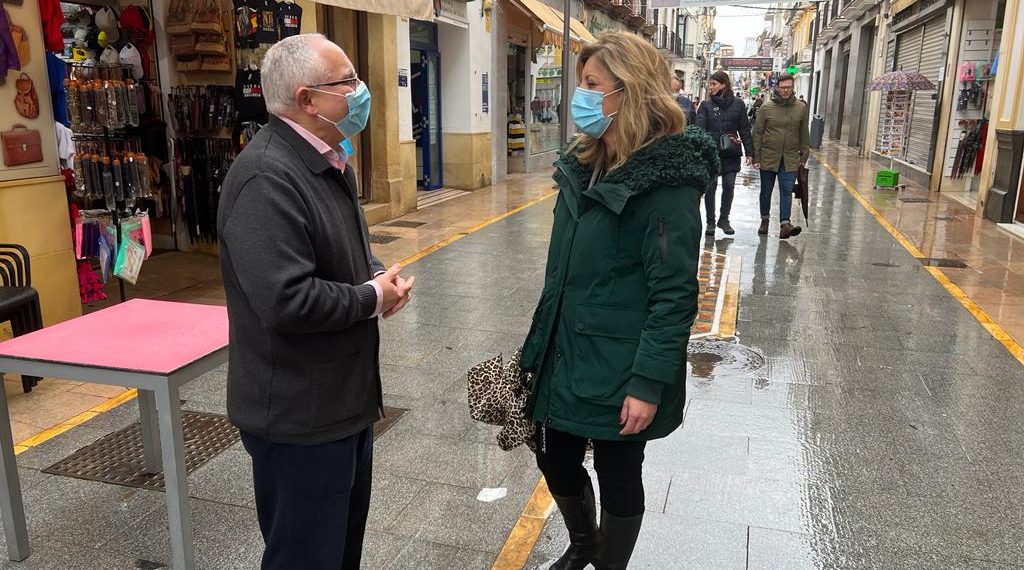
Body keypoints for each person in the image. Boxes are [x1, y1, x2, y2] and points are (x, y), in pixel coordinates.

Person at [519, 32, 717, 570]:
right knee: (553, 456)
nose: (580, 96)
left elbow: (674, 295)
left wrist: (647, 384)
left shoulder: (667, 184)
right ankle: (585, 542)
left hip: (624, 359)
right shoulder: (582, 162)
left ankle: (610, 563)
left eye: (591, 84)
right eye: (581, 83)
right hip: (565, 345)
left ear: (629, 91)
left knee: (618, 470)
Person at [217, 34, 414, 569]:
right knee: (305, 557)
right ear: (307, 100)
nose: (360, 90)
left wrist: (374, 275)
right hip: (298, 417)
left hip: (342, 404)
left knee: (339, 551)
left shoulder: (327, 161)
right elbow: (287, 299)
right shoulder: (267, 177)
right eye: (348, 81)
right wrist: (370, 298)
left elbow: (339, 252)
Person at [695, 70, 753, 237]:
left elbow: (744, 129)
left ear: (724, 85)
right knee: (710, 188)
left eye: (714, 84)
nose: (711, 87)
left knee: (729, 186)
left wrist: (750, 152)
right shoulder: (706, 105)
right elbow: (699, 129)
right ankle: (710, 222)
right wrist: (699, 151)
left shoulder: (738, 104)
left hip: (731, 153)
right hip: (711, 154)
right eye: (710, 84)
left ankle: (724, 219)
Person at [752, 72, 809, 239]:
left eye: (788, 87)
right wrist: (756, 157)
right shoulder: (766, 107)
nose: (785, 90)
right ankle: (765, 219)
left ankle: (785, 224)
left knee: (786, 190)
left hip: (790, 158)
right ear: (777, 87)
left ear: (793, 88)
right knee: (766, 191)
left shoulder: (800, 108)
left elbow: (804, 133)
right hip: (768, 156)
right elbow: (757, 133)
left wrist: (804, 156)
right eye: (782, 87)